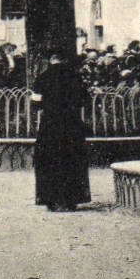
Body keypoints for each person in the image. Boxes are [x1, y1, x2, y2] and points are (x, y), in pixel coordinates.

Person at [33, 51, 91, 212]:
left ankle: (51, 200)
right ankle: (71, 199)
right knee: (72, 158)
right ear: (64, 59)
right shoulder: (75, 77)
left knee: (49, 160)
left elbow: (35, 103)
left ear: (51, 60)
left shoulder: (42, 78)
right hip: (71, 124)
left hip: (49, 125)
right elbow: (85, 100)